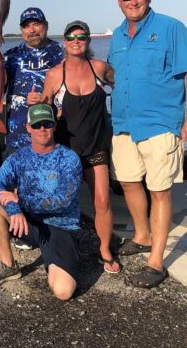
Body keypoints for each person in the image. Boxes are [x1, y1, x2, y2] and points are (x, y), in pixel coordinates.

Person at [108, 0, 187, 288]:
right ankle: (142, 235)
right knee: (128, 181)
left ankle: (156, 261)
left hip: (160, 123)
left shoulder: (170, 27)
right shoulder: (118, 35)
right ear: (119, 1)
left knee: (159, 190)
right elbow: (112, 75)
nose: (133, 2)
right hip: (123, 124)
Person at [0, 104, 82, 300]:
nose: (42, 129)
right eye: (37, 125)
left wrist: (21, 200)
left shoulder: (69, 158)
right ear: (28, 128)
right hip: (29, 223)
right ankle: (9, 266)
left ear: (54, 126)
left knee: (63, 292)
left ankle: (62, 260)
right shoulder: (18, 157)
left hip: (61, 228)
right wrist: (13, 207)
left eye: (47, 124)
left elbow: (62, 202)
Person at [41, 20, 119, 274]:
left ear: (88, 41)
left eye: (82, 37)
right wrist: (36, 104)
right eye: (71, 37)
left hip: (96, 147)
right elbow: (43, 112)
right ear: (64, 41)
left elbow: (127, 91)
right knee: (63, 202)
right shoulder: (55, 74)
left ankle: (104, 250)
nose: (76, 41)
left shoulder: (100, 69)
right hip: (66, 150)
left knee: (103, 201)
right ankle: (59, 249)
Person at [4, 7, 64, 151]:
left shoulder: (63, 53)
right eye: (26, 26)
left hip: (55, 138)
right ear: (21, 30)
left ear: (46, 25)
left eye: (36, 24)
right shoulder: (10, 57)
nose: (31, 30)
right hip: (17, 139)